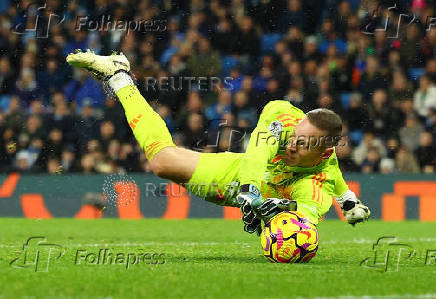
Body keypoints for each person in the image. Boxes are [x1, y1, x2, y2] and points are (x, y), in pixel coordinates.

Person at [66, 50, 370, 234]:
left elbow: (323, 185)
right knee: (161, 162)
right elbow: (257, 153)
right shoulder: (281, 116)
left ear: (323, 152)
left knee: (299, 225)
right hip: (240, 176)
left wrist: (342, 201)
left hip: (280, 190)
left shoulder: (320, 176)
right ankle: (119, 75)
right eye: (296, 138)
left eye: (304, 145)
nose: (293, 145)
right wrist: (252, 190)